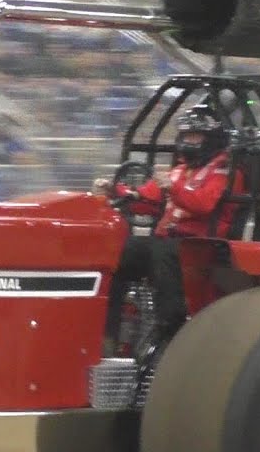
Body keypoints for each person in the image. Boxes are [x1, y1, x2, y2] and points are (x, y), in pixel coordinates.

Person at [95, 104, 247, 352]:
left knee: (161, 252)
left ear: (211, 139)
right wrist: (116, 191)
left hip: (201, 243)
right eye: (185, 136)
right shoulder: (180, 170)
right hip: (170, 241)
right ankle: (109, 331)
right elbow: (146, 199)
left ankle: (171, 330)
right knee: (121, 253)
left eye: (195, 136)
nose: (188, 142)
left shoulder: (225, 171)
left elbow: (204, 204)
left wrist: (171, 189)